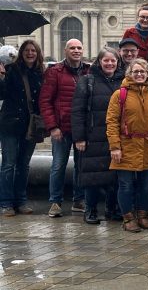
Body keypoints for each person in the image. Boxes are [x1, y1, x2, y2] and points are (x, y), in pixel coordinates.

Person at [106, 58, 148, 232]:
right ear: (129, 74)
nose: (139, 74)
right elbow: (112, 122)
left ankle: (142, 216)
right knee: (126, 185)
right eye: (135, 72)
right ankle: (128, 218)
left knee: (145, 185)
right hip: (126, 145)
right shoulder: (119, 94)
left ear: (147, 74)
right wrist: (115, 146)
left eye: (142, 72)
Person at [71, 47, 125, 225]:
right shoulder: (87, 81)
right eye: (106, 60)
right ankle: (91, 210)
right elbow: (77, 111)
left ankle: (112, 209)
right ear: (99, 62)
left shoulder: (124, 81)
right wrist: (79, 137)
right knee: (92, 175)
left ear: (118, 62)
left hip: (115, 136)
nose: (110, 63)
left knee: (114, 175)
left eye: (113, 61)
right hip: (93, 135)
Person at [39, 38, 90, 217]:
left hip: (81, 128)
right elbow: (45, 101)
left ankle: (78, 200)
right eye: (72, 48)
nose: (76, 51)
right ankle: (55, 202)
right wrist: (52, 127)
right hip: (61, 128)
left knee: (81, 165)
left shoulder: (88, 71)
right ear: (65, 50)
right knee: (58, 165)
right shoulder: (54, 72)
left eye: (79, 48)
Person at [0, 40, 45, 216]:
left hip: (30, 125)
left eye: (33, 50)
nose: (30, 53)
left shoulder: (40, 73)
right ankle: (5, 203)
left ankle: (21, 200)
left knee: (23, 165)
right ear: (21, 53)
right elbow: (2, 93)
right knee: (8, 165)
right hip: (10, 124)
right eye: (27, 50)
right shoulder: (10, 70)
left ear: (38, 53)